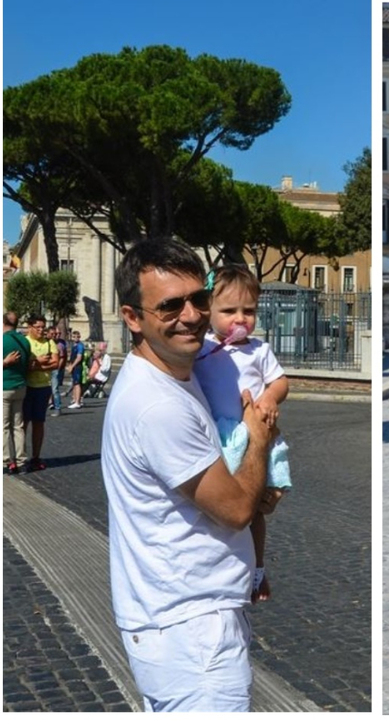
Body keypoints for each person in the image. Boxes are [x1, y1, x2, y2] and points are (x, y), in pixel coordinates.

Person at [101, 237, 277, 712]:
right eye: (170, 305)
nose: (192, 315)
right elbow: (235, 508)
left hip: (181, 616)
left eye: (199, 299)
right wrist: (259, 441)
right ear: (132, 317)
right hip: (191, 631)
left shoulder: (181, 374)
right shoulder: (158, 405)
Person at [194, 264, 292, 604]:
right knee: (217, 506)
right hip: (219, 439)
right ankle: (218, 565)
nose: (240, 319)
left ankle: (258, 568)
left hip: (253, 440)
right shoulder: (201, 349)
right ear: (209, 310)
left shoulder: (259, 350)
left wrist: (270, 397)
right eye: (229, 311)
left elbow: (280, 382)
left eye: (248, 311)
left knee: (255, 510)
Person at [22, 315, 59, 472]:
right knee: (23, 423)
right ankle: (20, 456)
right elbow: (23, 365)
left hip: (43, 387)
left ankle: (36, 456)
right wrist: (40, 362)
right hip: (27, 387)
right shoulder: (25, 342)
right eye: (38, 327)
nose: (41, 330)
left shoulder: (49, 343)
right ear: (30, 327)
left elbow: (56, 363)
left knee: (39, 422)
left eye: (43, 327)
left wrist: (35, 365)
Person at [3, 312, 30, 475]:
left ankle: (6, 461)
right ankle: (21, 461)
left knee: (3, 427)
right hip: (20, 386)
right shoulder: (24, 341)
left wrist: (5, 363)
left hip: (3, 387)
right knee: (18, 426)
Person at [48, 326, 67, 416]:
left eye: (56, 334)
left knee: (55, 389)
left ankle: (58, 408)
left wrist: (57, 368)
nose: (55, 335)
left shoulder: (59, 345)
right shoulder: (47, 342)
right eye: (53, 334)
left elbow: (62, 358)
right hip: (46, 369)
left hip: (54, 369)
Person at [66, 330, 86, 409]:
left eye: (77, 337)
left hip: (77, 367)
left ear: (79, 337)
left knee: (77, 384)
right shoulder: (74, 345)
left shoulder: (80, 346)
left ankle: (77, 402)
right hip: (74, 366)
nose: (75, 338)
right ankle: (75, 399)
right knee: (75, 383)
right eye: (74, 337)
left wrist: (72, 366)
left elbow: (79, 358)